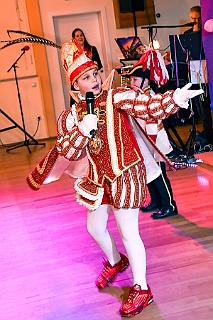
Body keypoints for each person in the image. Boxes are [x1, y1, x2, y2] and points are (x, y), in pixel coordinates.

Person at [26, 39, 203, 317]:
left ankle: (142, 288)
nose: (94, 80)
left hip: (125, 174)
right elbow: (68, 150)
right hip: (98, 179)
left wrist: (174, 99)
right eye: (86, 77)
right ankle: (115, 261)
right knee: (94, 229)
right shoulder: (71, 117)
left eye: (95, 73)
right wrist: (83, 130)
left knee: (129, 233)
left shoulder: (116, 96)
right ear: (75, 87)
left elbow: (148, 105)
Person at [121, 50, 178, 219]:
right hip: (145, 143)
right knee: (149, 172)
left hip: (156, 143)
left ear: (145, 80)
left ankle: (169, 205)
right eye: (130, 80)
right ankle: (156, 201)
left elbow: (153, 122)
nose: (132, 82)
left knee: (159, 174)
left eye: (135, 80)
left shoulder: (150, 97)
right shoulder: (137, 96)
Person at [184, 6, 213, 146]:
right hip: (194, 73)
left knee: (205, 104)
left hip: (206, 72)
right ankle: (205, 132)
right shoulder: (187, 33)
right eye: (193, 18)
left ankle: (209, 133)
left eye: (198, 18)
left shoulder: (206, 34)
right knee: (197, 104)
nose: (195, 21)